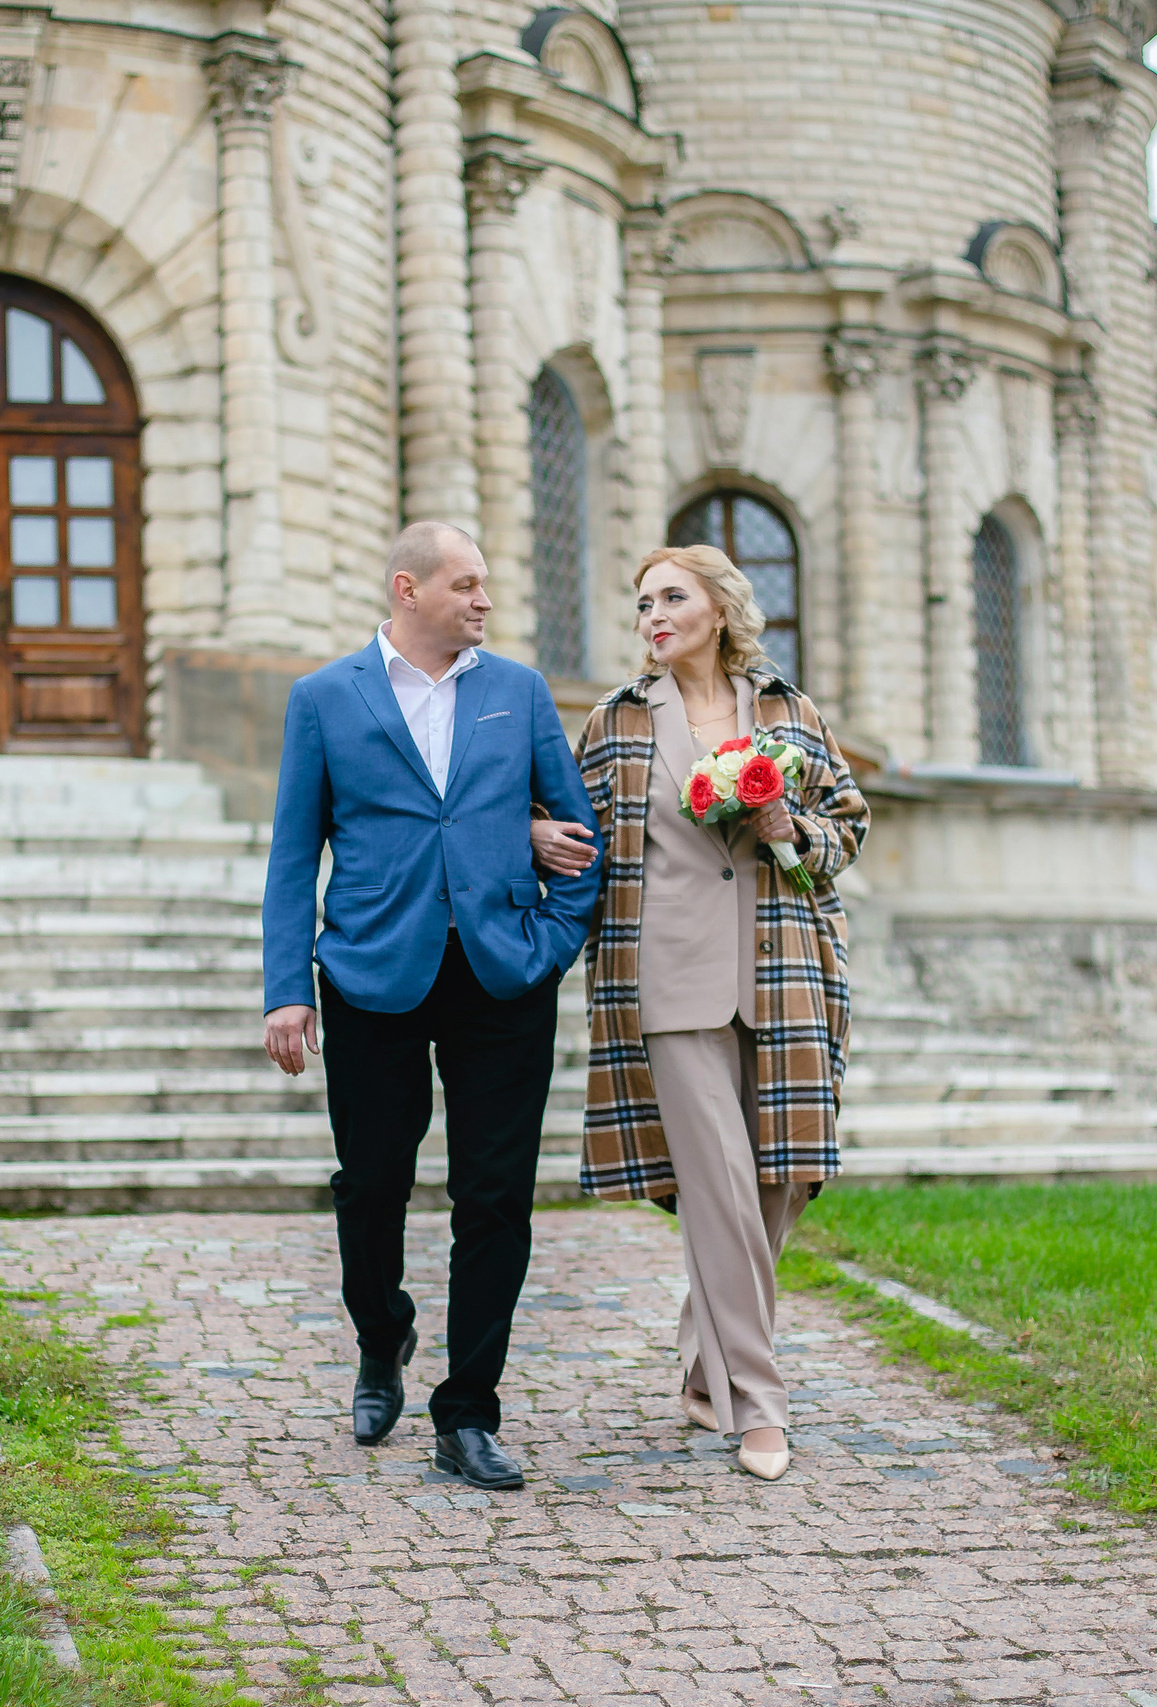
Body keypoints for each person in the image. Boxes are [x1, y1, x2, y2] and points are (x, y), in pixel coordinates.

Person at [262, 520, 604, 1491]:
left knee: (493, 1199)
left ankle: (469, 1414)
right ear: (408, 589)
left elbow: (578, 831)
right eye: (467, 585)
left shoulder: (517, 692)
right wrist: (287, 989)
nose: (485, 600)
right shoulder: (324, 699)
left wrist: (549, 944)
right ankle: (383, 1338)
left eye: (486, 584)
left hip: (501, 975)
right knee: (369, 1185)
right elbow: (294, 855)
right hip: (373, 972)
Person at [532, 543, 868, 1482]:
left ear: (718, 610)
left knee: (780, 1181)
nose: (654, 614)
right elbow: (556, 820)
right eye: (643, 602)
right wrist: (528, 833)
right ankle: (758, 1403)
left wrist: (789, 828)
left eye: (672, 597)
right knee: (718, 1182)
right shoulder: (615, 722)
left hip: (786, 966)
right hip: (667, 977)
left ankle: (701, 1359)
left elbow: (849, 825)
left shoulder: (790, 713)